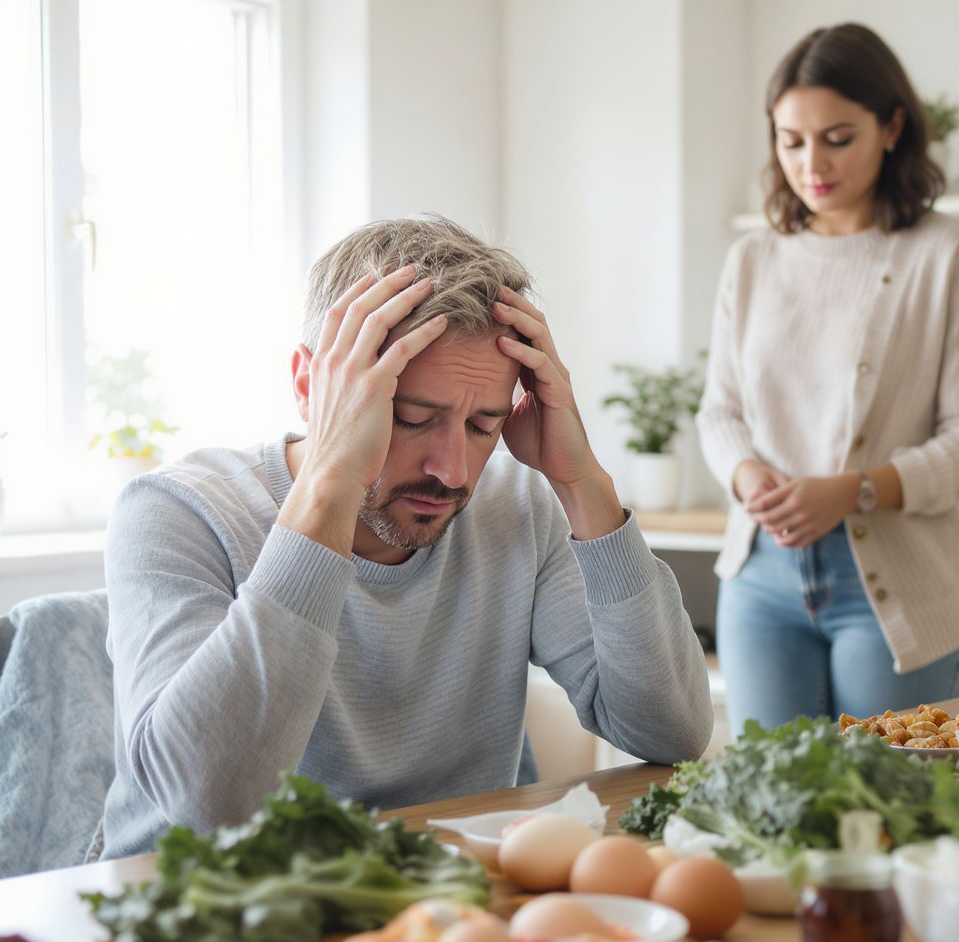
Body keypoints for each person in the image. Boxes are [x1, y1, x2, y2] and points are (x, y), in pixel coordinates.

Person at [99, 215, 713, 859]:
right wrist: (331, 488)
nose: (453, 471)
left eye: (483, 426)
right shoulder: (175, 513)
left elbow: (670, 732)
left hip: (436, 889)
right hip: (200, 894)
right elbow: (208, 802)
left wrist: (582, 482)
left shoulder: (517, 506)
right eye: (413, 418)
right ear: (311, 387)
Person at [696, 23, 959, 735]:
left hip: (903, 585)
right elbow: (720, 411)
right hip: (761, 578)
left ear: (892, 127)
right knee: (768, 790)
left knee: (887, 791)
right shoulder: (752, 259)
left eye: (837, 138)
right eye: (791, 141)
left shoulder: (954, 254)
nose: (812, 164)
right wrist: (746, 474)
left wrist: (855, 490)